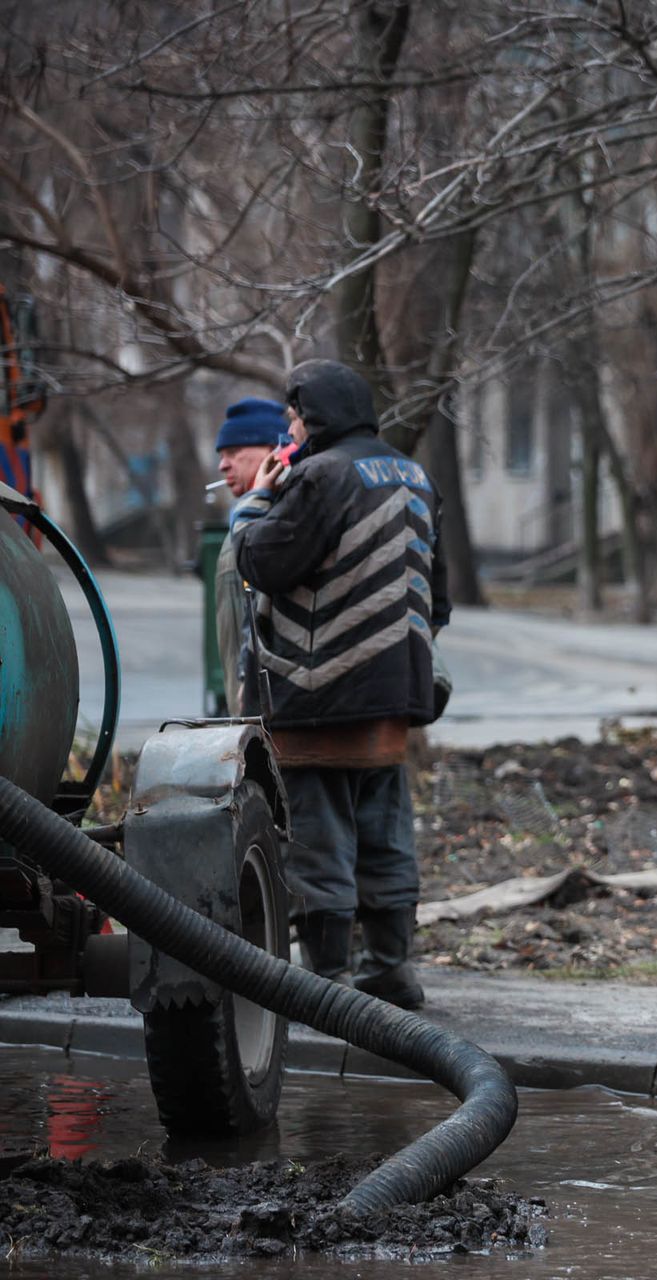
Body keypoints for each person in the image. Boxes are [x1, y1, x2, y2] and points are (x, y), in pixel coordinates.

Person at [228, 359, 449, 1009]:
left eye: (294, 416)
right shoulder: (414, 475)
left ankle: (328, 980)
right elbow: (439, 599)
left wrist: (255, 501)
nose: (289, 428)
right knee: (385, 832)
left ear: (316, 415)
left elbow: (261, 561)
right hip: (396, 693)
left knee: (320, 839)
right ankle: (392, 968)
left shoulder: (320, 476)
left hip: (318, 693)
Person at [210, 397, 288, 716]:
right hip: (245, 706)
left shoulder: (279, 519)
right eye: (221, 455)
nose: (222, 465)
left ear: (273, 452)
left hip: (266, 707)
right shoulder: (245, 519)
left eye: (233, 453)